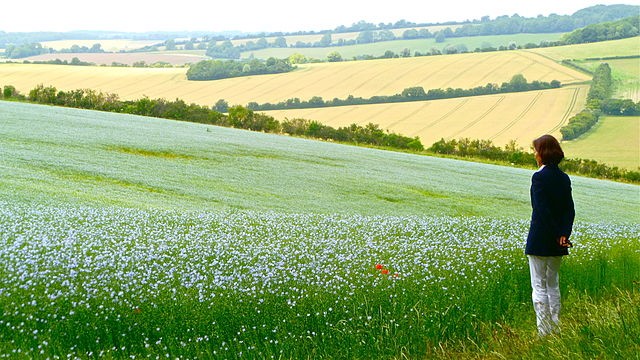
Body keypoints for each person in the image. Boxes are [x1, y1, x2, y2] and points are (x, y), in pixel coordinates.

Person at [525, 134, 575, 337]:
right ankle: (555, 327)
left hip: (540, 239)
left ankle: (543, 331)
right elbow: (569, 210)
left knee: (538, 285)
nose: (535, 154)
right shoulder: (564, 178)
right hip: (558, 241)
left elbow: (541, 210)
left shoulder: (539, 177)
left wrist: (554, 234)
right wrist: (563, 234)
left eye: (536, 150)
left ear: (542, 153)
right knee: (552, 284)